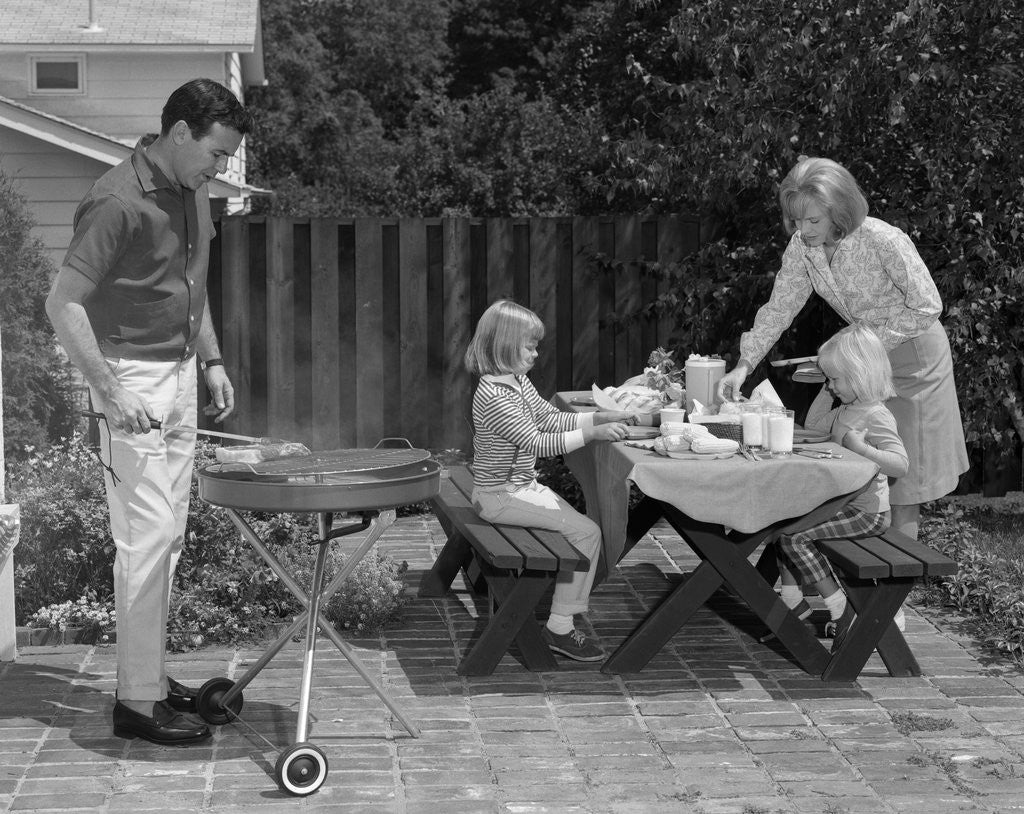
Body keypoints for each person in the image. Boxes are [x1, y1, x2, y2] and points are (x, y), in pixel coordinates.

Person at [45, 78, 254, 745]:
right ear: (180, 132)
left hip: (180, 375)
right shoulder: (116, 201)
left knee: (169, 538)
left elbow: (191, 286)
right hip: (128, 382)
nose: (220, 169)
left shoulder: (192, 194)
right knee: (144, 539)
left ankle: (150, 677)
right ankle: (136, 706)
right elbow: (62, 304)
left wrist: (212, 360)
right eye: (216, 154)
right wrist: (111, 390)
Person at [717, 156, 968, 544]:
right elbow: (780, 307)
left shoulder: (883, 240)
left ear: (841, 209)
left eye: (813, 221)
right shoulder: (803, 248)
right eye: (796, 220)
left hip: (914, 357)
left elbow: (927, 305)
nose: (803, 230)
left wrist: (864, 347)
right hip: (863, 360)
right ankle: (844, 581)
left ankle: (892, 600)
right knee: (856, 469)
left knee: (903, 481)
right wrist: (744, 365)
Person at [464, 300, 632, 661]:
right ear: (505, 346)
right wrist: (593, 435)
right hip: (499, 496)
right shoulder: (495, 397)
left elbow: (551, 418)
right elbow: (538, 442)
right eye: (530, 346)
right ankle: (560, 627)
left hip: (516, 488)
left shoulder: (517, 383)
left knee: (582, 529)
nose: (536, 353)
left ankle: (563, 612)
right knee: (588, 532)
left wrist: (599, 419)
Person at [766, 324, 909, 651]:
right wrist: (824, 388)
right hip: (843, 504)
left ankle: (840, 607)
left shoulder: (876, 416)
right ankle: (794, 603)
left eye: (835, 379)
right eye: (828, 378)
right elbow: (813, 428)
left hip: (868, 513)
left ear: (859, 375)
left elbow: (901, 464)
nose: (830, 385)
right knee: (782, 520)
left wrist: (862, 449)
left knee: (794, 537)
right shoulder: (846, 409)